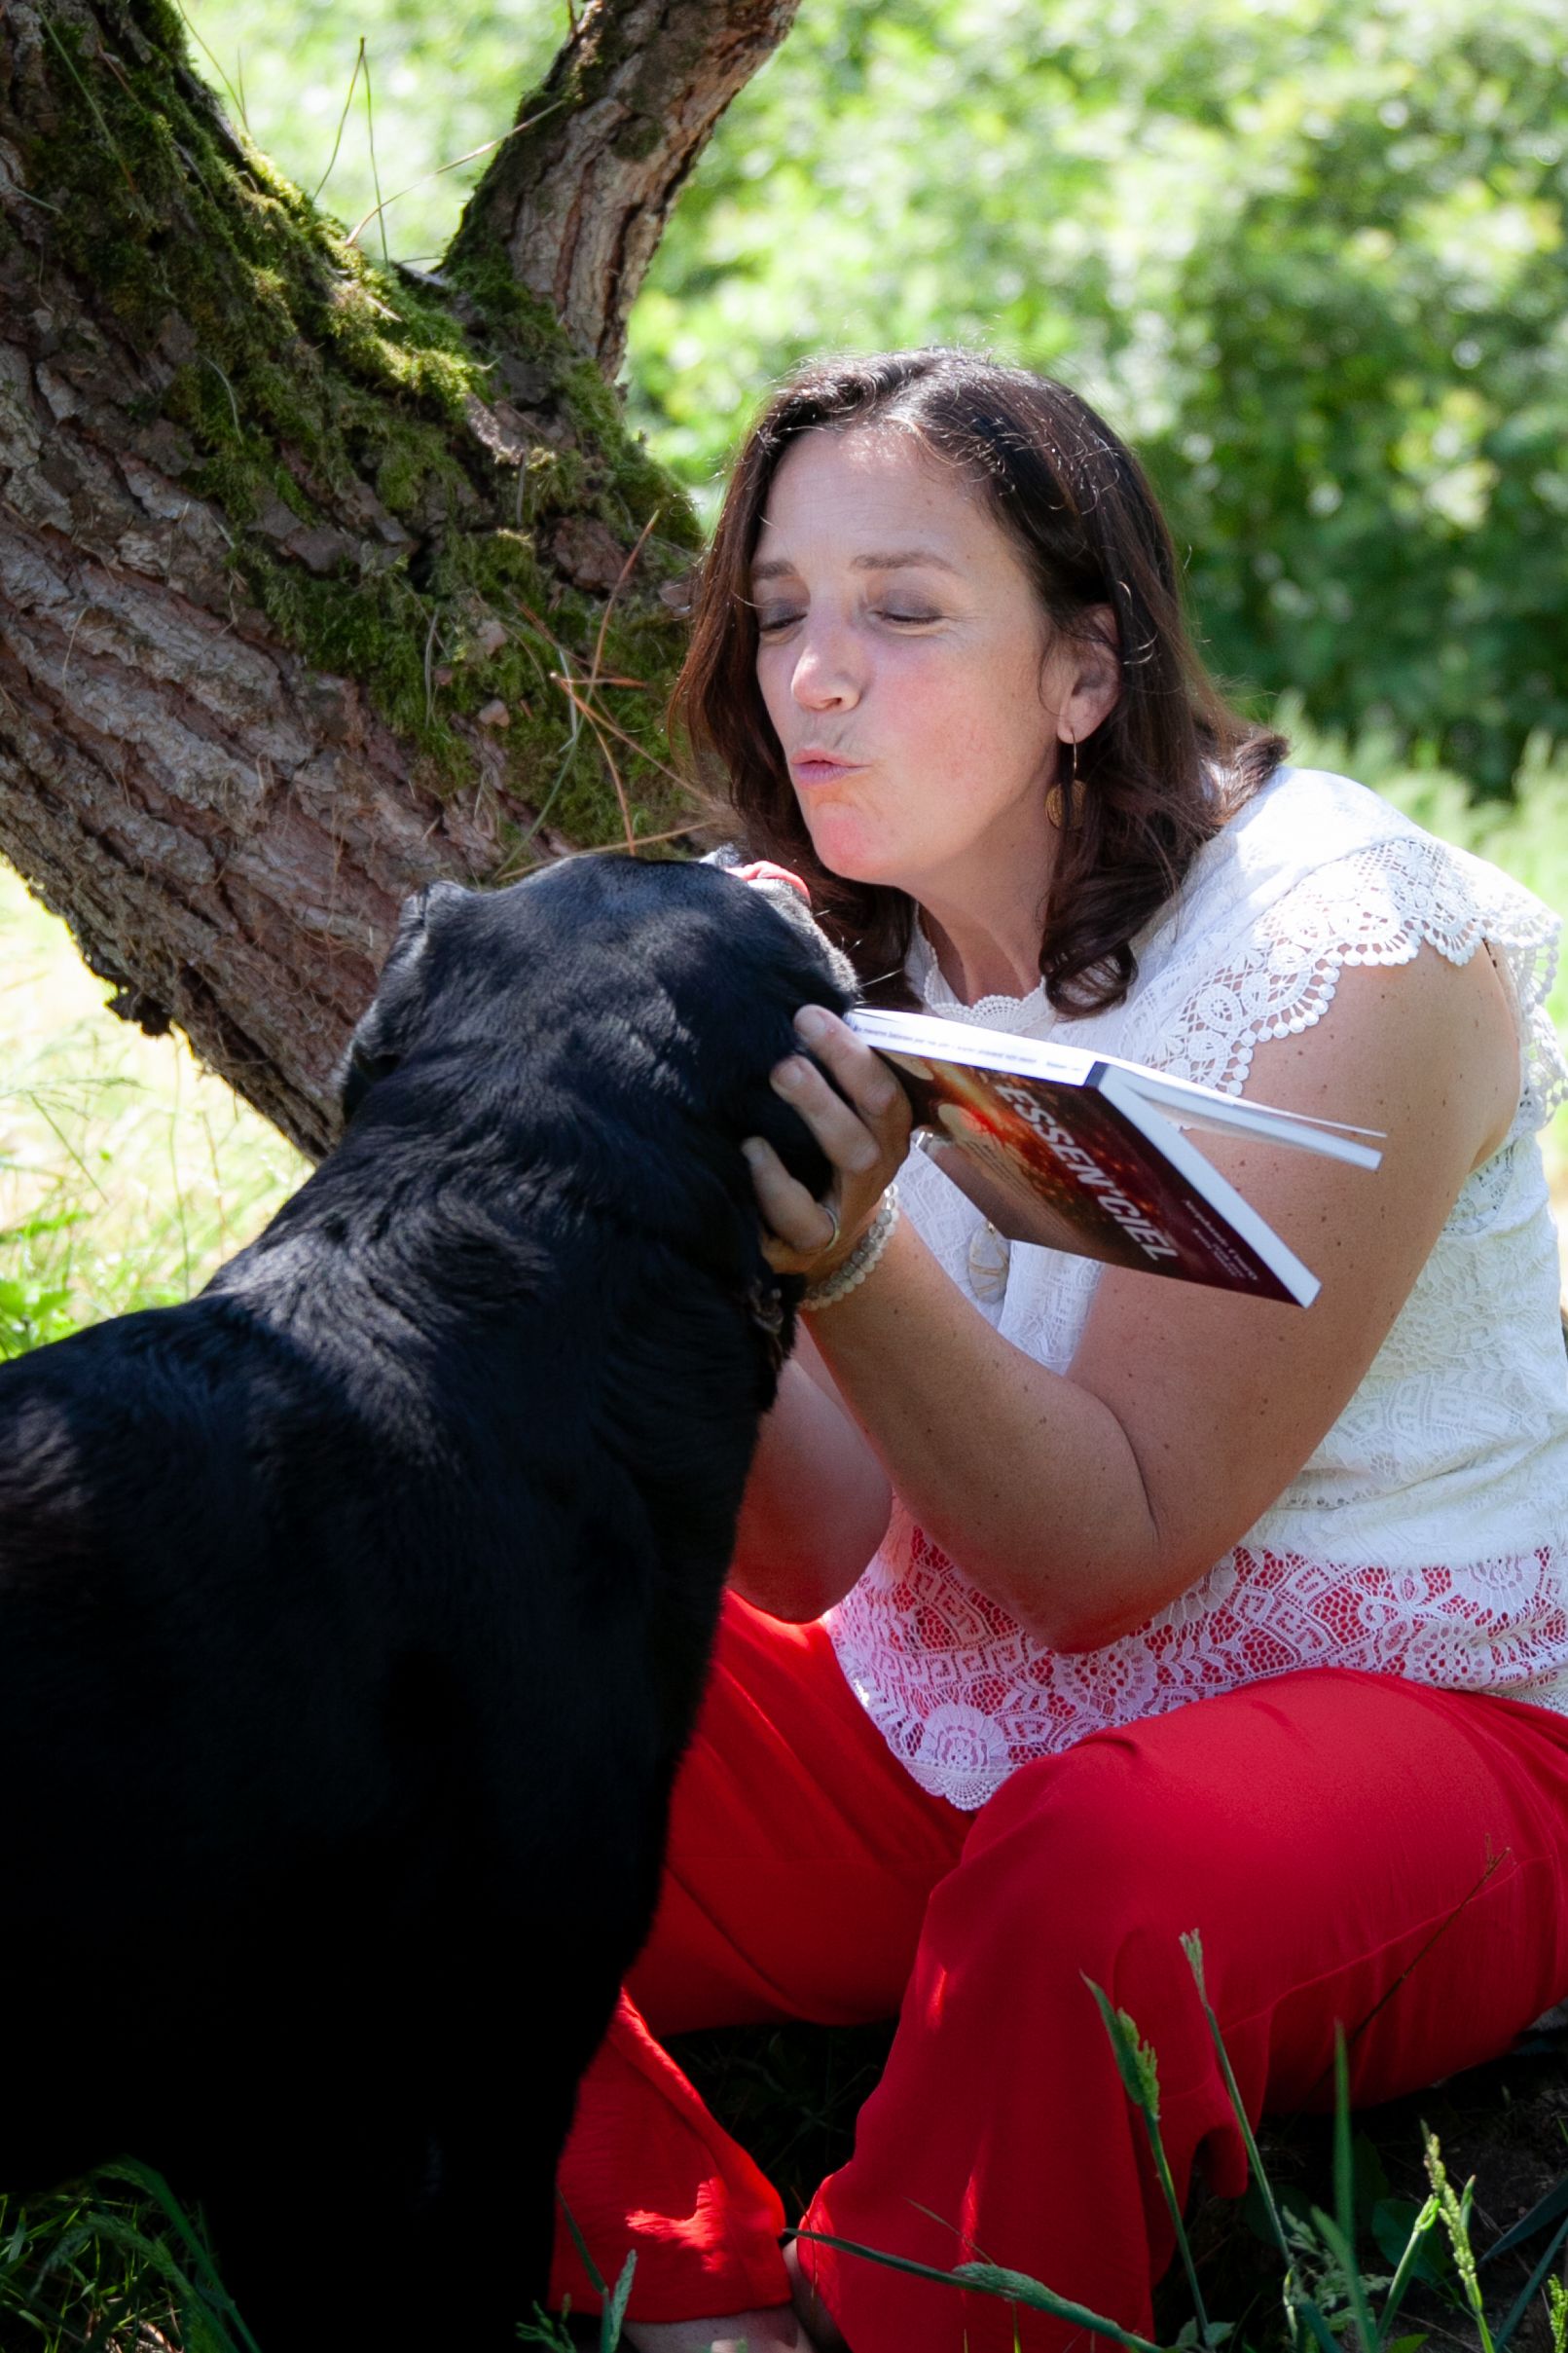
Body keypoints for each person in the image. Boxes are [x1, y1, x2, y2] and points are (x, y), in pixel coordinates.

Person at [547, 349, 1568, 2353]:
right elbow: (813, 1558)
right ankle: (677, 2293)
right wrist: (692, 1161)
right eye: (777, 614)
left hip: (1405, 1720)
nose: (811, 676)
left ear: (1084, 671)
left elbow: (1102, 1561)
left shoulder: (1344, 944)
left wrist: (843, 1258)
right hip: (942, 1721)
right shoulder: (864, 938)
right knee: (429, 1686)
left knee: (1092, 1869)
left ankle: (912, 2316)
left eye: (901, 612)